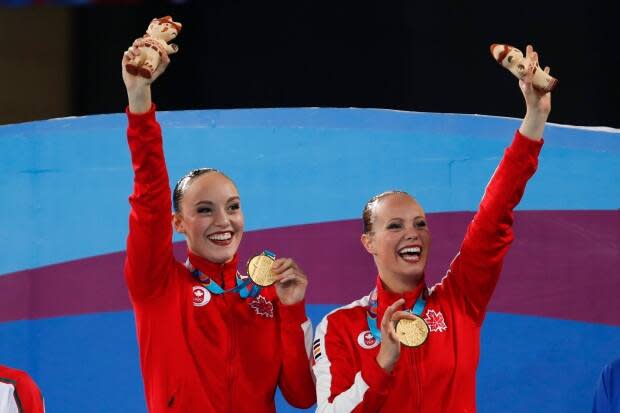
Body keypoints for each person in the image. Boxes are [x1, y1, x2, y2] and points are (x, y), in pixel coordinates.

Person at [312, 45, 551, 412]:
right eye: (395, 225)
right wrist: (382, 364)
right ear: (368, 242)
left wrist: (534, 119)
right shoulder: (339, 327)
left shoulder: (459, 301)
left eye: (420, 224)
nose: (413, 233)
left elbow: (494, 213)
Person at [121, 37, 316, 413]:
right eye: (206, 210)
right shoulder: (158, 284)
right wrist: (139, 100)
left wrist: (293, 310)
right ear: (178, 222)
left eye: (233, 207)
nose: (223, 221)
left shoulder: (267, 296)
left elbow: (302, 395)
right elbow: (149, 197)